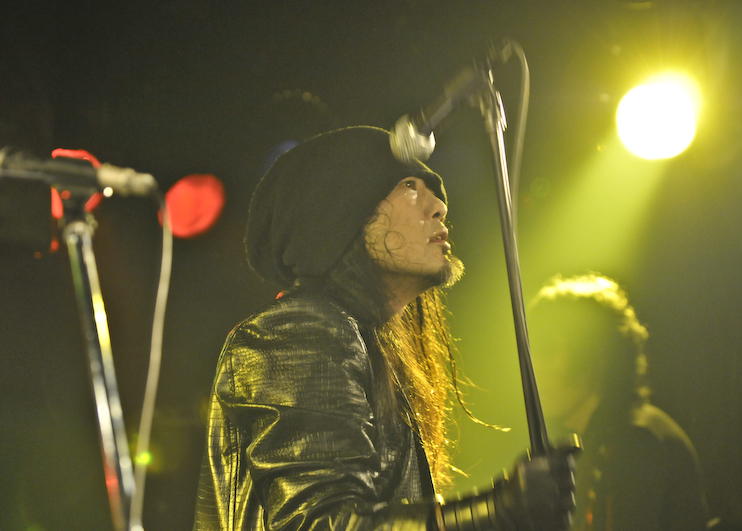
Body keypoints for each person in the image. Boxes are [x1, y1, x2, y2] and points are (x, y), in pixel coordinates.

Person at [193, 126, 578, 531]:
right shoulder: (300, 332)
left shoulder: (357, 341)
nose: (439, 206)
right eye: (408, 186)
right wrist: (497, 511)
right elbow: (322, 524)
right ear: (340, 215)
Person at [528, 274, 710, 531]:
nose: (534, 367)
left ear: (595, 353)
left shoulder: (637, 442)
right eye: (532, 351)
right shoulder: (602, 440)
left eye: (547, 350)